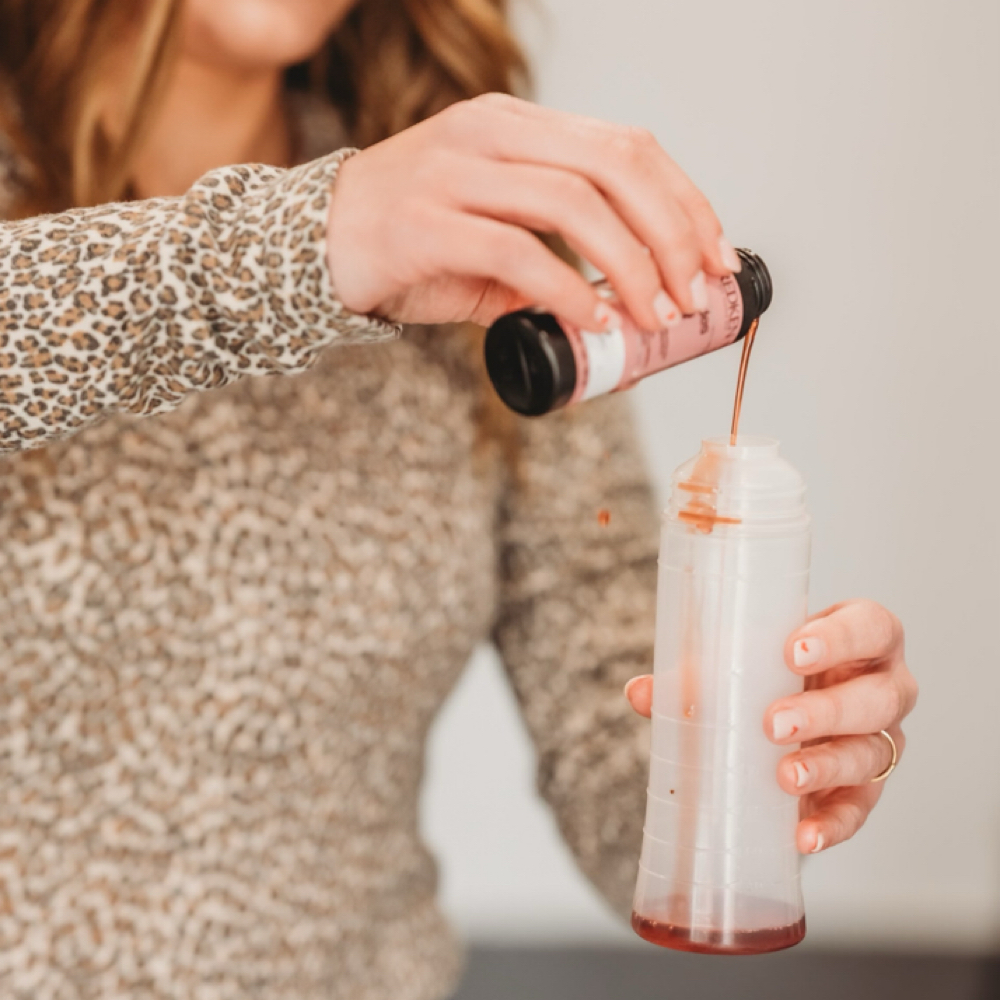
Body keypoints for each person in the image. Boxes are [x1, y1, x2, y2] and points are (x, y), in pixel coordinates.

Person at [0, 1, 917, 997]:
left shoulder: (470, 247)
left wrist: (756, 761)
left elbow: (616, 772)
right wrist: (304, 243)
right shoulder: (373, 222)